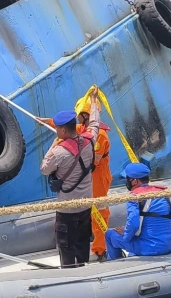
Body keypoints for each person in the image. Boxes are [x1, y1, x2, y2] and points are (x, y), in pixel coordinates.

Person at [37, 96, 112, 260]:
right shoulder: (89, 136)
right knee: (82, 241)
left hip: (95, 180)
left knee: (100, 212)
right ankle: (85, 259)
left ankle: (100, 248)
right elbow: (93, 124)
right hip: (84, 197)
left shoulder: (98, 138)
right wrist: (46, 121)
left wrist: (55, 145)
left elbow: (44, 168)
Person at [105, 163, 171, 260]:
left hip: (149, 247)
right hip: (169, 245)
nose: (126, 181)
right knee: (136, 236)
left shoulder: (135, 197)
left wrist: (125, 235)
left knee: (109, 234)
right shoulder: (162, 194)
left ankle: (115, 265)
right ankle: (134, 253)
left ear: (134, 181)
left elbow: (133, 224)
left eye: (127, 178)